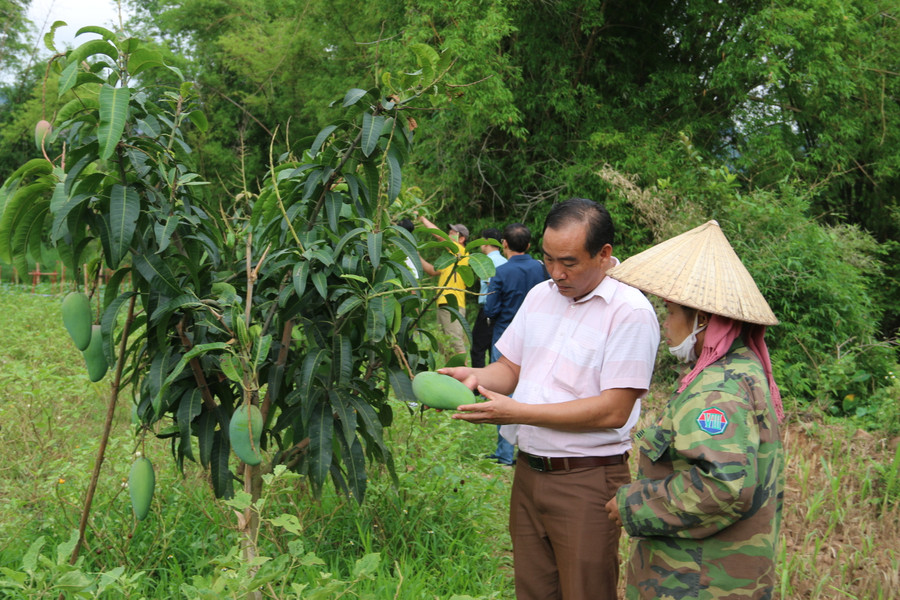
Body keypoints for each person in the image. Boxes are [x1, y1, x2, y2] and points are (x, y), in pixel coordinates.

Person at [441, 198, 660, 600]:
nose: (557, 273)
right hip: (528, 473)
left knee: (584, 591)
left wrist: (518, 411)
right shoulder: (541, 295)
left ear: (604, 255)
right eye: (548, 259)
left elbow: (614, 410)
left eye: (569, 262)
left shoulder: (630, 313)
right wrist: (474, 377)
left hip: (587, 479)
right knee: (534, 589)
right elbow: (510, 369)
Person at [603, 220, 785, 600]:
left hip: (696, 581)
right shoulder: (742, 370)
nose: (665, 324)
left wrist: (632, 504)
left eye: (670, 312)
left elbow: (722, 486)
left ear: (701, 319)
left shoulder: (718, 390)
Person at [482, 222, 548, 466]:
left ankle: (505, 453)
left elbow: (491, 307)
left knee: (502, 392)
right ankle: (532, 448)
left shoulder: (501, 272)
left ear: (504, 244)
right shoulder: (542, 269)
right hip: (538, 336)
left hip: (505, 335)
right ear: (529, 245)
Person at [418, 215, 470, 357]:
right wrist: (416, 255)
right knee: (446, 346)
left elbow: (439, 236)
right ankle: (450, 377)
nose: (448, 236)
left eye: (452, 234)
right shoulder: (450, 259)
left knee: (455, 342)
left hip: (453, 304)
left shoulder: (461, 251)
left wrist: (423, 219)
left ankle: (462, 376)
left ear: (461, 239)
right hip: (443, 304)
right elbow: (432, 270)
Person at [471, 227, 507, 368]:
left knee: (478, 349)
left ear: (486, 242)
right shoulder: (505, 261)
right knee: (495, 348)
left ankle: (477, 385)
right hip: (503, 311)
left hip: (489, 309)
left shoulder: (486, 262)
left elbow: (492, 286)